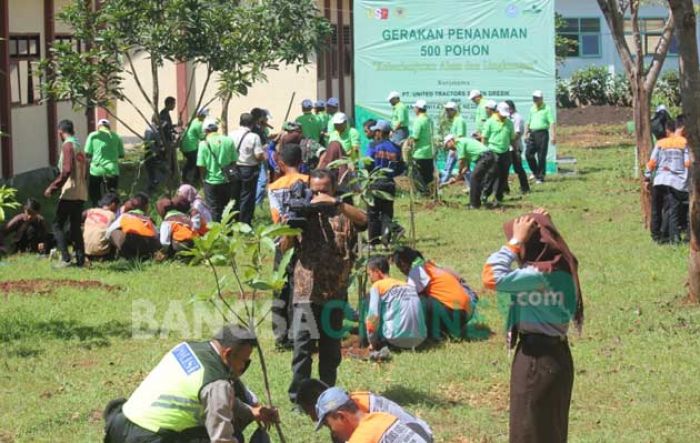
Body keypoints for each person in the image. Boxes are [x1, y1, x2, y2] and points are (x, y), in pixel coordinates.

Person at [482, 208, 582, 443]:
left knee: (528, 431)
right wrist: (543, 225)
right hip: (556, 356)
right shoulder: (560, 266)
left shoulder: (538, 275)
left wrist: (516, 241)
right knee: (548, 431)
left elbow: (490, 276)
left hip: (537, 361)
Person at [103, 324, 279, 443]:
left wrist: (251, 412)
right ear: (228, 353)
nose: (244, 367)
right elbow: (222, 438)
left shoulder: (188, 348)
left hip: (121, 425)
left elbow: (219, 402)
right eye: (244, 361)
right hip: (147, 438)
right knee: (235, 436)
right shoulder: (217, 383)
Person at [282, 169, 368, 404]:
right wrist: (291, 223)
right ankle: (299, 398)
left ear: (333, 190)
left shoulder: (342, 212)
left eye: (324, 191)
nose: (319, 195)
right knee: (302, 350)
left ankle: (328, 395)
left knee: (331, 352)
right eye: (315, 190)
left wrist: (336, 203)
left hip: (334, 293)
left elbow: (364, 220)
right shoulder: (301, 211)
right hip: (305, 292)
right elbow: (282, 248)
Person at [267, 144, 310, 350]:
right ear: (301, 161)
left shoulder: (273, 187)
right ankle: (297, 333)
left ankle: (280, 335)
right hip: (305, 240)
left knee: (280, 287)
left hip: (282, 241)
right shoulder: (308, 181)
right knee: (299, 287)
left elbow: (276, 218)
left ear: (280, 163)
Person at [297, 380, 433, 442]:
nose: (333, 431)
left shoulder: (363, 435)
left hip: (421, 431)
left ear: (341, 416)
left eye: (329, 425)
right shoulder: (380, 416)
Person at [393, 246, 477, 340]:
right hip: (466, 311)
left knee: (419, 301)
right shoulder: (429, 265)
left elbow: (409, 298)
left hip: (456, 314)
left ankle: (430, 333)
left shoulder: (417, 271)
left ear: (403, 264)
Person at [44, 119, 88, 268]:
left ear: (60, 132)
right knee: (75, 226)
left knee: (57, 225)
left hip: (70, 191)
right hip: (81, 191)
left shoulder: (68, 145)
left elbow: (66, 170)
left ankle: (65, 258)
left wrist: (53, 187)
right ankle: (81, 260)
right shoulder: (78, 145)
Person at [364, 256, 426, 350]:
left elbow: (373, 316)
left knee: (373, 312)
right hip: (419, 339)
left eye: (370, 274)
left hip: (395, 340)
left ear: (377, 272)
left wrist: (372, 342)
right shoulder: (407, 285)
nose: (370, 278)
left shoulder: (377, 286)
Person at [645, 119, 689, 244]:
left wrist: (647, 178)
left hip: (659, 180)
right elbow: (687, 163)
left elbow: (652, 162)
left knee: (656, 209)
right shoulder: (684, 143)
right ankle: (673, 238)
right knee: (672, 210)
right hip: (675, 182)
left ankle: (656, 236)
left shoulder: (660, 143)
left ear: (667, 130)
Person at [366, 120, 403, 246]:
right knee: (387, 213)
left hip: (375, 182)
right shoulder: (397, 148)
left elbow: (367, 163)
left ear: (380, 132)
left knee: (373, 214)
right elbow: (401, 167)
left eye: (376, 130)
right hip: (389, 183)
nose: (374, 133)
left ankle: (372, 242)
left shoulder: (373, 145)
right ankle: (386, 239)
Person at [197, 118, 236, 223]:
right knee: (227, 207)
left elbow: (201, 165)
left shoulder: (203, 144)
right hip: (227, 180)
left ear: (206, 130)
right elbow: (233, 161)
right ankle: (228, 230)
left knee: (213, 208)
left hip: (211, 181)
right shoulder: (228, 140)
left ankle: (216, 231)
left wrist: (202, 179)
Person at [230, 113, 265, 225]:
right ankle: (244, 222)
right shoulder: (254, 136)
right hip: (249, 169)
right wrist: (265, 156)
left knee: (235, 195)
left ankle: (233, 219)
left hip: (234, 168)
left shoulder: (231, 135)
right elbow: (258, 155)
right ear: (252, 124)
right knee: (247, 197)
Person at [443, 134, 495, 209]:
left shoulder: (459, 143)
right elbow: (466, 168)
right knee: (477, 179)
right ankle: (477, 202)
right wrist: (457, 178)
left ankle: (474, 205)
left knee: (474, 178)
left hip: (485, 157)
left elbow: (461, 162)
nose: (450, 149)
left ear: (451, 141)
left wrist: (458, 173)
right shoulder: (463, 145)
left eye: (447, 146)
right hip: (488, 157)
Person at [105, 193, 160, 260]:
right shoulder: (148, 220)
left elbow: (109, 231)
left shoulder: (124, 216)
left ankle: (118, 254)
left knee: (114, 231)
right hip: (145, 250)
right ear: (146, 207)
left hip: (128, 248)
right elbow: (157, 235)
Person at [85, 119, 125, 207]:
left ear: (98, 127)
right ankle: (112, 210)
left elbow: (87, 152)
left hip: (96, 169)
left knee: (95, 193)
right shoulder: (116, 136)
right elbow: (122, 154)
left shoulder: (93, 135)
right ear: (109, 127)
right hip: (112, 169)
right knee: (112, 193)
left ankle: (96, 207)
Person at [482, 102, 515, 205]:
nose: (504, 117)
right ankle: (485, 194)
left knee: (503, 176)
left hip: (505, 152)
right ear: (497, 111)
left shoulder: (509, 123)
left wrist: (514, 150)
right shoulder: (490, 122)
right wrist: (484, 151)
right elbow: (484, 137)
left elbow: (512, 138)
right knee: (491, 174)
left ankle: (498, 197)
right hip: (493, 151)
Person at [525, 90, 556, 184]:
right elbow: (528, 121)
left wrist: (553, 136)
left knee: (541, 156)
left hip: (542, 133)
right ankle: (535, 172)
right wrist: (526, 133)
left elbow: (551, 122)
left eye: (537, 98)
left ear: (541, 99)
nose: (535, 100)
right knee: (528, 154)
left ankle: (540, 177)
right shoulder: (532, 108)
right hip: (532, 133)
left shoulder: (547, 108)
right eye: (534, 98)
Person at [83, 192, 119, 260]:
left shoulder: (90, 211)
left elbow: (79, 218)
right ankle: (111, 257)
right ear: (113, 204)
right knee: (116, 232)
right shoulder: (112, 215)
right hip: (101, 251)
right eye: (117, 206)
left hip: (85, 249)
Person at [408, 100, 434, 193]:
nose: (414, 110)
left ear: (418, 109)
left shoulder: (418, 120)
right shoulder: (429, 120)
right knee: (428, 176)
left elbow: (415, 137)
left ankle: (423, 194)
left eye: (415, 108)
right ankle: (430, 193)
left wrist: (408, 145)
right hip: (429, 153)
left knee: (417, 175)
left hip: (419, 153)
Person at [506, 100, 531, 194]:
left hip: (515, 147)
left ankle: (525, 187)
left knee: (518, 168)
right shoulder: (507, 118)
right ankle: (505, 189)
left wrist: (509, 141)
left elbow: (517, 134)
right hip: (506, 147)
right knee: (504, 169)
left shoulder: (517, 118)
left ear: (511, 108)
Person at [441, 102, 468, 183]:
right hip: (456, 147)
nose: (447, 112)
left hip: (456, 148)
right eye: (446, 110)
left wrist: (454, 149)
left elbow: (460, 136)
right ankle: (471, 186)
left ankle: (440, 186)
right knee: (464, 169)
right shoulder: (457, 119)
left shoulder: (459, 120)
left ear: (453, 110)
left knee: (448, 169)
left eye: (448, 110)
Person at [180, 108, 208, 185]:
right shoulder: (198, 124)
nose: (205, 118)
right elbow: (201, 137)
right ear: (201, 115)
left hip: (185, 145)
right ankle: (186, 177)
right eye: (204, 116)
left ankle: (194, 177)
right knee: (194, 162)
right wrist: (207, 133)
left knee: (193, 161)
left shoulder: (194, 120)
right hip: (190, 146)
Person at [143, 115, 168, 194]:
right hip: (153, 154)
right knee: (157, 172)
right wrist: (160, 151)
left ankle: (151, 188)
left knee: (151, 173)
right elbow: (156, 143)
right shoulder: (153, 130)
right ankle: (152, 188)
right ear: (156, 120)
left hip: (148, 153)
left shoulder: (149, 129)